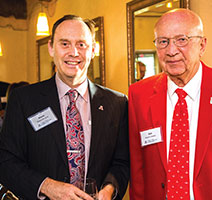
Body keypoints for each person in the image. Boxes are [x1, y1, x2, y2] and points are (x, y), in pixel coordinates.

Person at [128, 9, 212, 200]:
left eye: (182, 40)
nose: (171, 51)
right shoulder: (139, 94)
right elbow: (138, 170)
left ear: (202, 45)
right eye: (163, 41)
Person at [0, 15, 129, 200]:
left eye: (81, 44)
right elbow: (6, 160)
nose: (74, 52)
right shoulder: (23, 100)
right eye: (65, 44)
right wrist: (46, 186)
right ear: (51, 48)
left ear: (93, 50)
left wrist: (109, 189)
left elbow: (122, 162)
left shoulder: (116, 103)